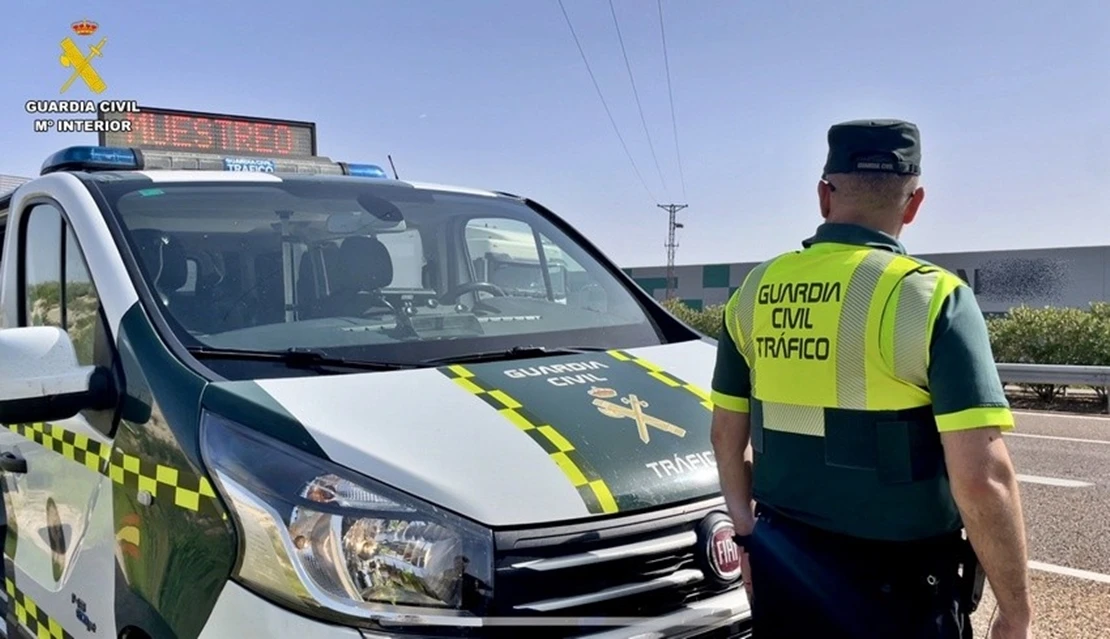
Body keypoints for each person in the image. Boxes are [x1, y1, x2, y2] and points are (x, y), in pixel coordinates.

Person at [709, 119, 1033, 639]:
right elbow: (982, 479)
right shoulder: (933, 298)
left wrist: (747, 540)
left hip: (785, 571)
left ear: (823, 196)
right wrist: (1016, 615)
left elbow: (727, 437)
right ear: (914, 202)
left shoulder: (754, 290)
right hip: (901, 591)